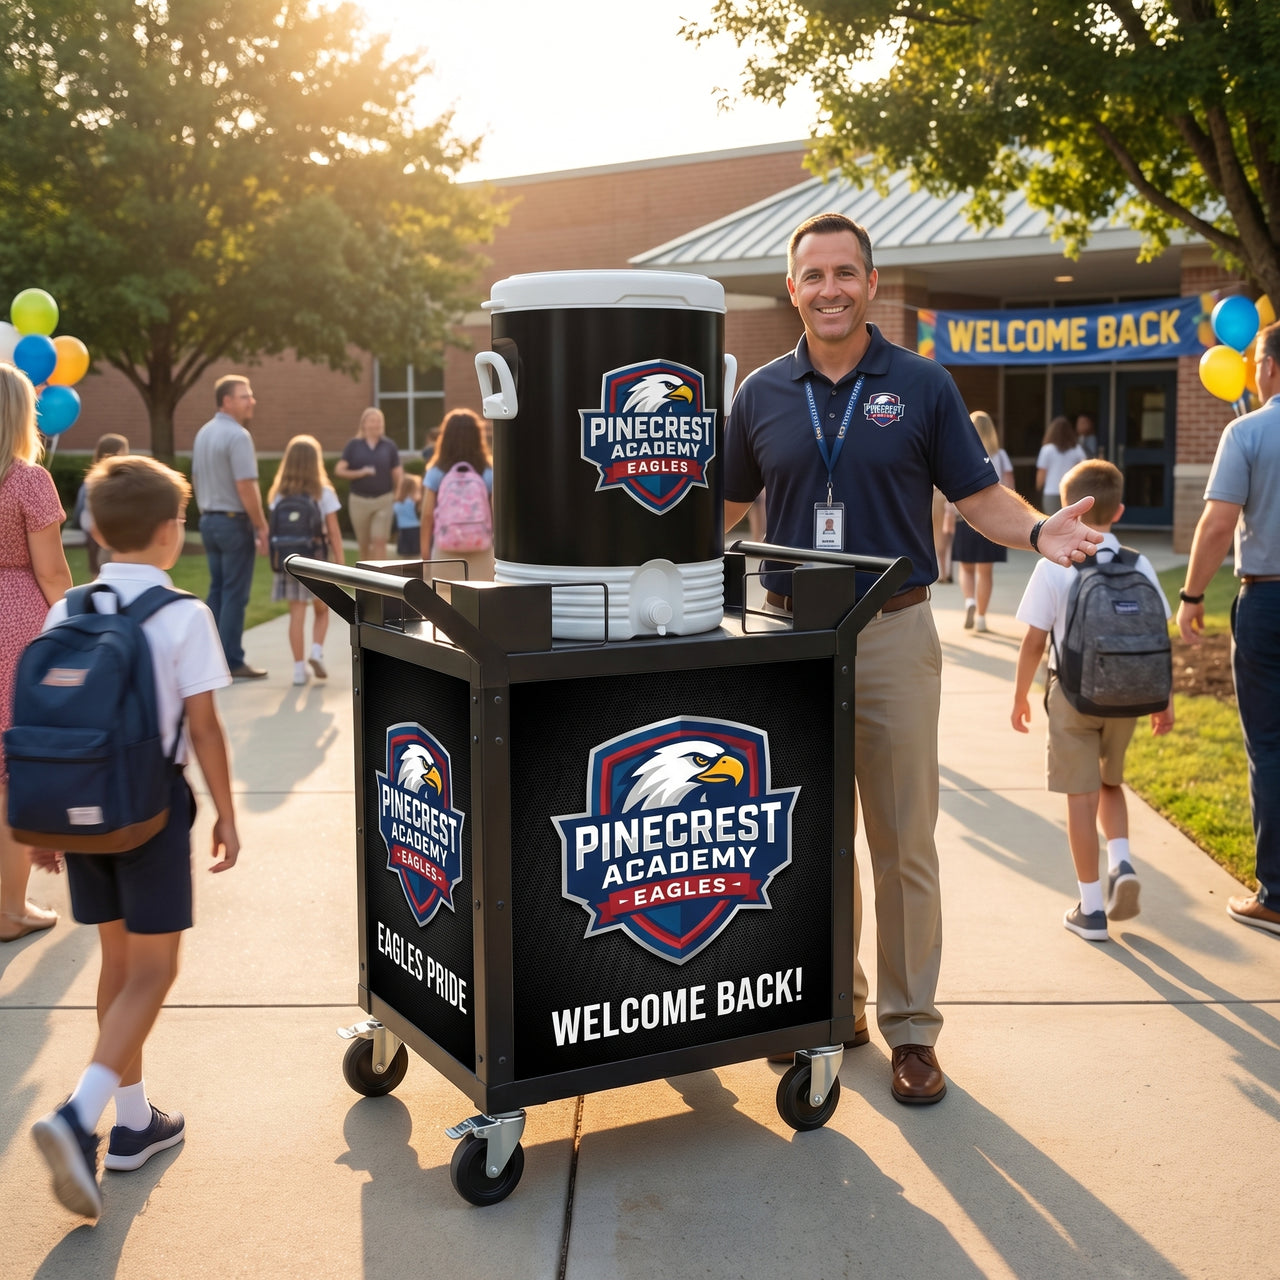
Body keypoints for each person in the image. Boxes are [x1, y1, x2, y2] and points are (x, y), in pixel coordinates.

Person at [724, 212, 1103, 1105]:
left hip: (892, 631)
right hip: (792, 640)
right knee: (808, 841)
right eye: (813, 274)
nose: (829, 289)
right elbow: (727, 506)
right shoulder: (762, 395)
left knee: (903, 842)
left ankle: (910, 1028)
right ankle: (830, 1008)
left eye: (845, 273)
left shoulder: (922, 385)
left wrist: (1039, 527)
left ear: (871, 283)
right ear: (792, 288)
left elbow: (977, 497)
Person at [29, 454, 239, 1219]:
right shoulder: (185, 615)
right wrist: (226, 813)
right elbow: (206, 730)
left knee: (117, 967)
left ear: (92, 529)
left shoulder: (67, 611)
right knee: (155, 972)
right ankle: (81, 1115)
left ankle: (134, 1122)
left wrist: (44, 822)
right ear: (172, 532)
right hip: (149, 812)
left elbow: (46, 724)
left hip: (79, 810)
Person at [1011, 459, 1174, 940]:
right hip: (1127, 698)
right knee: (1110, 785)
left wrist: (1020, 695)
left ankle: (1091, 910)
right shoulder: (1138, 562)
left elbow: (1035, 642)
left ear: (1069, 508)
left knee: (1080, 801)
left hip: (1074, 698)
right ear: (1119, 510)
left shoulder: (1055, 564)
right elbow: (1154, 633)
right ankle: (1121, 863)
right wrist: (1163, 701)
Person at [1178, 320, 1280, 937]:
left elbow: (1218, 525)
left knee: (1269, 744)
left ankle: (1276, 894)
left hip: (1268, 601)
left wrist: (1191, 595)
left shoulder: (1248, 431)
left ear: (1266, 367)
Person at [0, 363, 73, 943]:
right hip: (17, 626)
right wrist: (73, 626)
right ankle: (10, 909)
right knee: (11, 772)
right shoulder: (27, 481)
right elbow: (50, 571)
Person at [191, 375, 269, 679]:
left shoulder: (203, 434)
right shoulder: (238, 436)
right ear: (227, 401)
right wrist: (261, 526)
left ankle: (211, 656)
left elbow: (195, 479)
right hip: (233, 522)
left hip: (209, 520)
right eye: (245, 396)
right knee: (235, 594)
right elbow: (246, 485)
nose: (252, 401)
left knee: (218, 591)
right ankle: (232, 660)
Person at [266, 435, 345, 686]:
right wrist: (340, 563)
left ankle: (299, 670)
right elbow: (333, 531)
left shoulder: (278, 494)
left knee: (296, 615)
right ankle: (316, 652)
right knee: (321, 611)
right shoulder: (324, 492)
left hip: (289, 561)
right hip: (316, 560)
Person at [955, 410, 1015, 631]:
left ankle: (969, 601)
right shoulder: (1000, 455)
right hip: (993, 518)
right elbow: (1010, 488)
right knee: (985, 571)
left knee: (966, 567)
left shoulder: (962, 453)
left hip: (966, 516)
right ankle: (981, 616)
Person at [420, 408, 495, 581]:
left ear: (445, 437)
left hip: (446, 550)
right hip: (482, 549)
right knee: (482, 604)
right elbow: (496, 512)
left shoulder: (436, 471)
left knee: (443, 601)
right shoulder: (488, 471)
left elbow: (427, 514)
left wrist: (425, 551)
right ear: (478, 437)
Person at [335, 408, 402, 561]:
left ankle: (381, 580)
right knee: (363, 544)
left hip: (383, 500)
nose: (376, 424)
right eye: (372, 420)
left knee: (380, 542)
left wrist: (398, 493)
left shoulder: (389, 446)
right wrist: (361, 472)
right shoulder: (354, 445)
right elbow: (340, 470)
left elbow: (397, 472)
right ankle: (365, 581)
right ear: (364, 424)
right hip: (359, 501)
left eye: (379, 421)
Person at [73, 433, 129, 576]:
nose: (127, 456)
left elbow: (80, 507)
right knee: (107, 566)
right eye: (124, 452)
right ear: (114, 453)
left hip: (92, 528)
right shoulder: (114, 480)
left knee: (96, 566)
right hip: (108, 529)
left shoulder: (91, 478)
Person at [1036, 415, 1087, 514]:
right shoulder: (1077, 449)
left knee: (1052, 523)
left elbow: (1041, 473)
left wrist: (1038, 488)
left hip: (1051, 492)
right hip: (1071, 492)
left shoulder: (1047, 449)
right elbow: (1084, 469)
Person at [393, 472, 423, 557]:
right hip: (416, 530)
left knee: (405, 556)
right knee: (416, 556)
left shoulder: (397, 504)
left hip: (403, 531)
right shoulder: (416, 502)